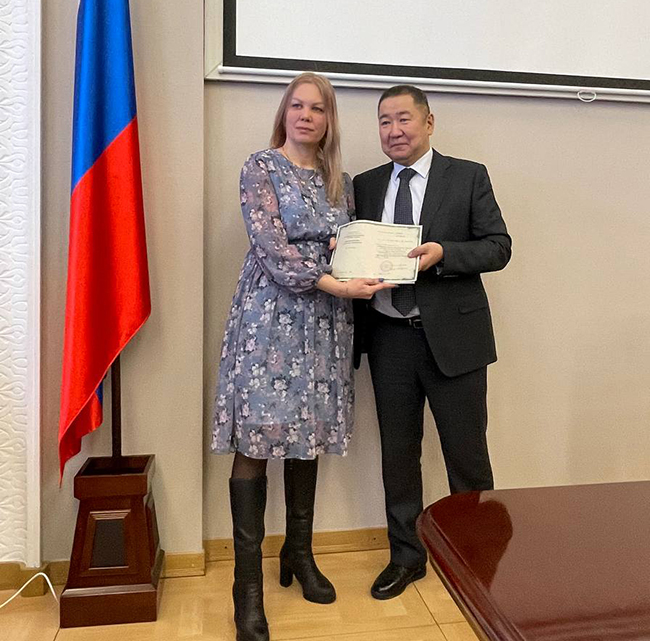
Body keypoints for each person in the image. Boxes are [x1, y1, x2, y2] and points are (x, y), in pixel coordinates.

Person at [212, 73, 393, 641]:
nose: (307, 116)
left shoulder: (341, 181)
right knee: (256, 441)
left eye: (318, 108)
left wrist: (349, 253)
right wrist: (335, 281)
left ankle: (299, 552)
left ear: (329, 120)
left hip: (325, 327)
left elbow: (348, 244)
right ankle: (247, 591)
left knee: (306, 431)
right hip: (270, 321)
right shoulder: (260, 167)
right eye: (298, 106)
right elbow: (271, 247)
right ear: (284, 112)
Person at [353, 85, 512, 600]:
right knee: (398, 456)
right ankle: (406, 557)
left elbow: (498, 247)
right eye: (384, 121)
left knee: (467, 457)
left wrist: (443, 254)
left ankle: (475, 560)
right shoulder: (365, 184)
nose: (394, 130)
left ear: (429, 122)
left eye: (404, 118)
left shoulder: (467, 176)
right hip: (388, 339)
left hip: (454, 340)